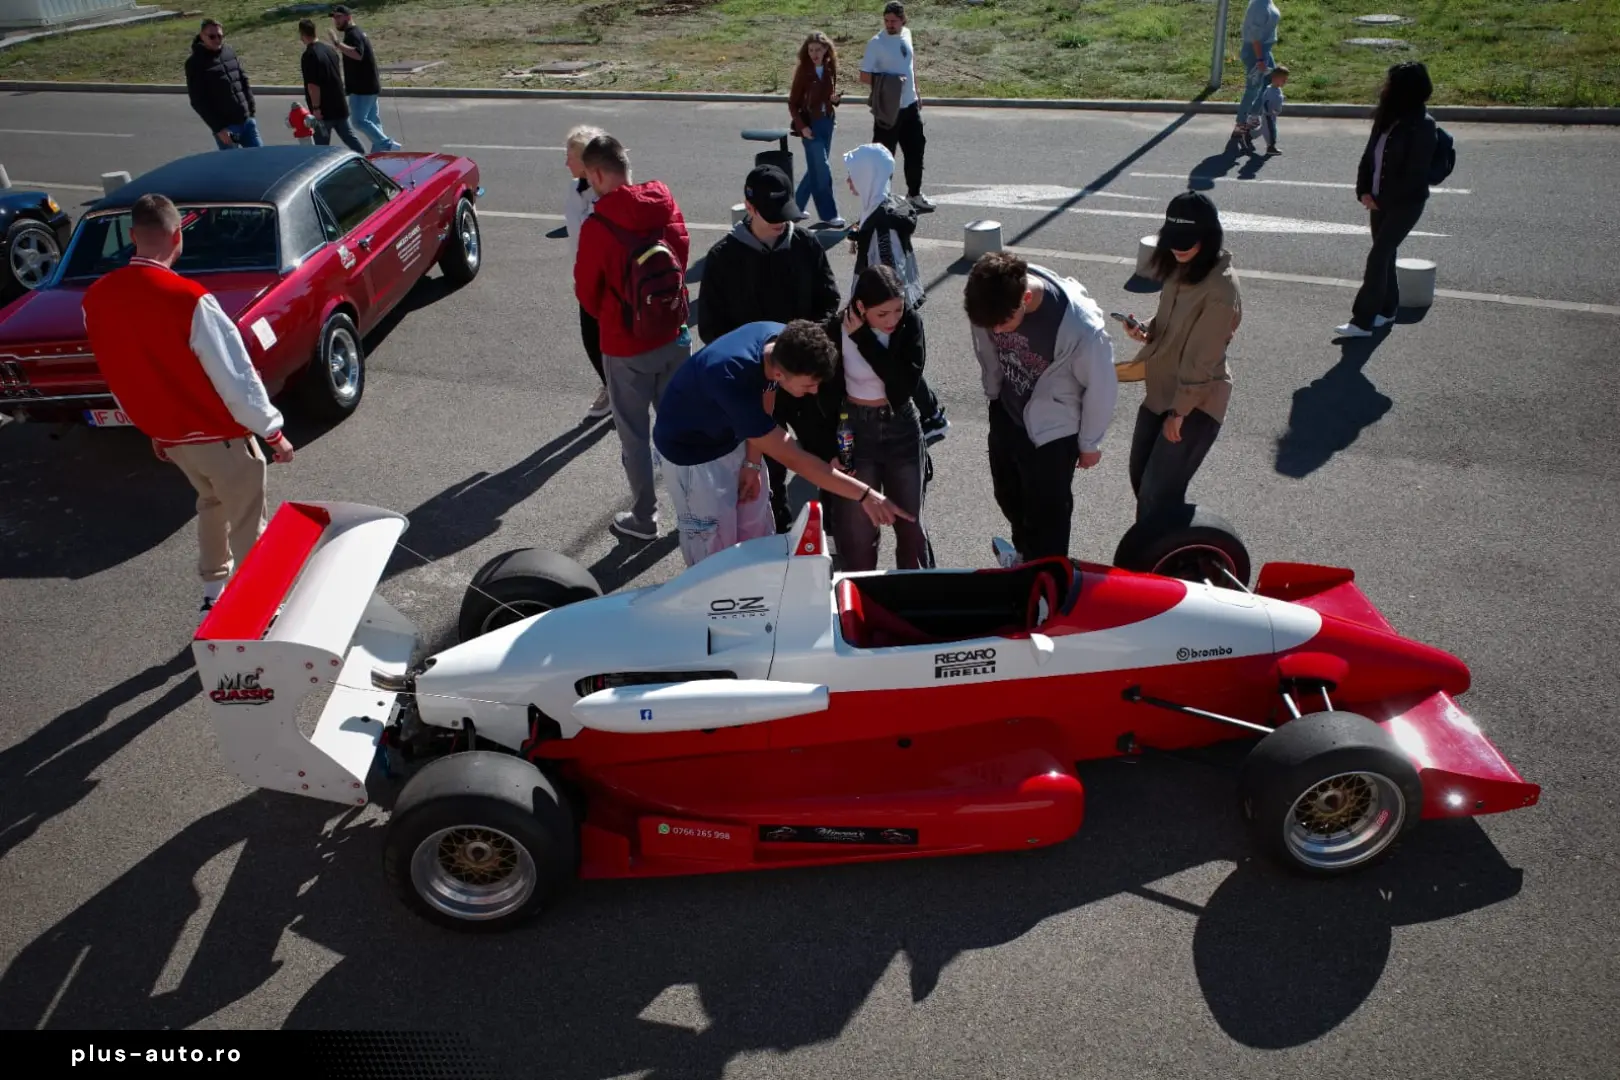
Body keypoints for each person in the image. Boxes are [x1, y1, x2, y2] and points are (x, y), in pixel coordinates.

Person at [80, 194, 296, 624]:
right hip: (220, 434)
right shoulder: (190, 299)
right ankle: (261, 609)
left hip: (173, 438)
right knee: (247, 519)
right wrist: (272, 431)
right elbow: (235, 377)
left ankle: (213, 593)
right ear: (177, 236)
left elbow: (118, 374)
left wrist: (154, 430)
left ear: (132, 237)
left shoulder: (96, 299)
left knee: (211, 503)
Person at [651, 320, 912, 568]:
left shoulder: (780, 341)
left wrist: (752, 463)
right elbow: (797, 460)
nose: (814, 391)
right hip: (694, 458)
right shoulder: (729, 377)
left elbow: (768, 396)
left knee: (757, 531)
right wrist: (865, 495)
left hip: (733, 436)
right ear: (779, 372)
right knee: (714, 549)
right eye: (809, 384)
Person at [697, 163, 842, 533]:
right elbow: (713, 329)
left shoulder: (806, 244)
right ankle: (780, 542)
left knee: (826, 457)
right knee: (769, 471)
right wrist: (759, 359)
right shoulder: (723, 258)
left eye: (786, 215)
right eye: (772, 216)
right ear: (749, 208)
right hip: (759, 386)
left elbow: (829, 301)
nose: (781, 223)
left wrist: (803, 347)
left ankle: (836, 530)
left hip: (807, 382)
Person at [962, 251, 1119, 566]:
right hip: (1008, 411)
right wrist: (993, 394)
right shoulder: (990, 298)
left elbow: (1102, 386)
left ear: (1027, 298)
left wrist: (1090, 443)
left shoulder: (1081, 328)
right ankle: (1025, 558)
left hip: (1053, 431)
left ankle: (1047, 580)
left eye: (1004, 324)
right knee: (1009, 496)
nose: (998, 332)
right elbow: (988, 350)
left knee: (1048, 518)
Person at [574, 133, 693, 542]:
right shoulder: (663, 201)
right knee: (681, 425)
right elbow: (682, 251)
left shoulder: (598, 224)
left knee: (635, 437)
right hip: (674, 334)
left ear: (599, 173)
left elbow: (587, 294)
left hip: (626, 345)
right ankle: (695, 509)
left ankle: (645, 518)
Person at [1117, 192, 1242, 525]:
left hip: (1196, 402)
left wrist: (1180, 413)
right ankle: (1160, 555)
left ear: (1209, 237)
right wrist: (1146, 329)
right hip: (1162, 390)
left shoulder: (1221, 291)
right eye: (1173, 240)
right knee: (1141, 480)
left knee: (1157, 494)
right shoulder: (1179, 268)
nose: (1178, 248)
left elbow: (1204, 359)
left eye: (1187, 241)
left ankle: (1166, 565)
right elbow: (1170, 322)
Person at [821, 264, 933, 571]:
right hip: (854, 431)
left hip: (901, 427)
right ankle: (859, 603)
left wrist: (863, 339)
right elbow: (825, 394)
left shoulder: (910, 325)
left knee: (910, 525)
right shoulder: (835, 329)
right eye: (882, 314)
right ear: (860, 306)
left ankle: (917, 599)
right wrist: (830, 449)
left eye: (897, 310)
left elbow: (900, 387)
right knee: (856, 533)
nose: (892, 320)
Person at [843, 142, 949, 445]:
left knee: (896, 366)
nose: (849, 182)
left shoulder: (882, 223)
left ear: (868, 176)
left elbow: (888, 272)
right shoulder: (882, 205)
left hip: (886, 308)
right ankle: (932, 417)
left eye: (853, 175)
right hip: (894, 305)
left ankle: (929, 418)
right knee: (898, 364)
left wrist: (871, 310)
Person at [1337, 61, 1439, 339]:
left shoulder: (1423, 126)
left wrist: (1382, 200)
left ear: (1406, 90)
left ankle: (1362, 321)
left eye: (1391, 83)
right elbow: (1369, 158)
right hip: (1378, 200)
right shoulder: (1387, 117)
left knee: (1378, 256)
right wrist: (1363, 191)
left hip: (1406, 203)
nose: (1385, 86)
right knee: (1385, 254)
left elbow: (1413, 175)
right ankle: (1387, 310)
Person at [858, 2, 933, 212]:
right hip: (888, 109)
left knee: (915, 151)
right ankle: (882, 200)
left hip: (910, 106)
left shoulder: (907, 34)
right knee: (884, 157)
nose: (890, 25)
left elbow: (910, 65)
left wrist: (916, 91)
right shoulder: (876, 43)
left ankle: (914, 194)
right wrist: (890, 83)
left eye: (894, 21)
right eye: (887, 21)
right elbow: (863, 76)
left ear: (903, 20)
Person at [563, 124, 612, 420]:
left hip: (608, 281)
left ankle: (622, 393)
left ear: (586, 162)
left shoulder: (608, 194)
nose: (565, 163)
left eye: (569, 156)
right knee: (591, 340)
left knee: (611, 340)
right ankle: (610, 386)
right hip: (585, 278)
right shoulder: (573, 187)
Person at [787, 31, 846, 229]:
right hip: (810, 125)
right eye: (811, 50)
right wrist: (802, 127)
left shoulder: (830, 67)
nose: (814, 53)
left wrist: (834, 101)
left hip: (827, 122)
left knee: (816, 168)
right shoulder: (804, 71)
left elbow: (827, 96)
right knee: (822, 168)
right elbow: (793, 103)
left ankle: (794, 208)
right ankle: (829, 214)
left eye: (818, 50)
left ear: (826, 50)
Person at [328, 5, 402, 153]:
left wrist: (337, 44)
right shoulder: (356, 32)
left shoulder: (353, 34)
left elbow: (358, 54)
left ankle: (387, 144)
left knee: (358, 121)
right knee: (373, 120)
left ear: (348, 17)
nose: (335, 21)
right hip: (369, 85)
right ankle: (380, 153)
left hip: (362, 88)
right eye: (334, 18)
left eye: (338, 17)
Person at [184, 19, 261, 150]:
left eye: (220, 36)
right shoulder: (195, 63)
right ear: (202, 36)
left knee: (261, 161)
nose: (217, 40)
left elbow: (243, 80)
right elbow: (198, 101)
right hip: (227, 129)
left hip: (247, 122)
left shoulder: (228, 52)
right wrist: (219, 129)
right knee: (234, 167)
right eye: (212, 36)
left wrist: (251, 110)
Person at [298, 18, 366, 154]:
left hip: (324, 110)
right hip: (339, 104)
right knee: (350, 138)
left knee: (321, 150)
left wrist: (316, 108)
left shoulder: (309, 55)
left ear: (302, 34)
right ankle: (366, 159)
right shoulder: (329, 50)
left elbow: (313, 86)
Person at [1233, 0, 1281, 152]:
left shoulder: (1266, 2)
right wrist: (1260, 59)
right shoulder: (1258, 5)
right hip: (1256, 52)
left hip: (1265, 50)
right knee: (1253, 89)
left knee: (1269, 82)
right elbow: (1254, 35)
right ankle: (1240, 126)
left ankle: (1253, 118)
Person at [1259, 65, 1289, 156]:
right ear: (1275, 78)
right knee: (1271, 132)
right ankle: (1271, 147)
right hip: (1269, 115)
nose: (1285, 81)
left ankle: (1248, 136)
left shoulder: (1276, 88)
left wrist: (1282, 98)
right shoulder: (1270, 90)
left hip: (1272, 115)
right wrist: (1270, 112)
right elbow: (1266, 102)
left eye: (1286, 79)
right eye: (1283, 79)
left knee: (1263, 130)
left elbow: (1278, 97)